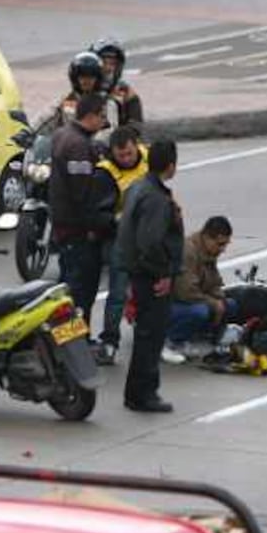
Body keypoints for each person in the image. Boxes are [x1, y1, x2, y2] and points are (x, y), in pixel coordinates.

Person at [118, 140, 185, 413]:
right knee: (151, 336)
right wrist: (163, 273)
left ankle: (136, 392)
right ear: (171, 166)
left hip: (138, 271)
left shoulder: (138, 187)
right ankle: (144, 393)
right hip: (150, 276)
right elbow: (150, 241)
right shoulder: (156, 198)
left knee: (146, 335)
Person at [49, 94, 110, 328]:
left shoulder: (62, 135)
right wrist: (95, 227)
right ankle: (74, 342)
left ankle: (66, 341)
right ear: (91, 115)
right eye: (102, 116)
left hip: (64, 228)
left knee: (68, 290)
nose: (104, 122)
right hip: (77, 231)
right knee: (80, 292)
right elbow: (82, 194)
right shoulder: (79, 146)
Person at [94, 125, 149, 365]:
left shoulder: (147, 157)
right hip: (122, 240)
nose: (126, 159)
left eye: (129, 153)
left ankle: (150, 335)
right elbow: (99, 213)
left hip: (148, 238)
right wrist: (118, 221)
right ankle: (109, 341)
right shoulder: (104, 174)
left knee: (150, 290)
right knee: (118, 292)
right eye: (121, 155)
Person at [165, 216, 238, 363]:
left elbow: (214, 283)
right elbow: (185, 292)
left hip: (190, 300)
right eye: (220, 244)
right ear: (206, 238)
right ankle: (170, 342)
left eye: (225, 244)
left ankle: (198, 334)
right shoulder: (187, 252)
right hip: (167, 303)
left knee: (230, 305)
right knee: (200, 311)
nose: (223, 249)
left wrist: (220, 300)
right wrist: (213, 304)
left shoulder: (209, 252)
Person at [90, 38, 144, 126]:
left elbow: (136, 126)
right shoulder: (81, 90)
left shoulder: (126, 93)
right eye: (103, 63)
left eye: (112, 63)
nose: (108, 68)